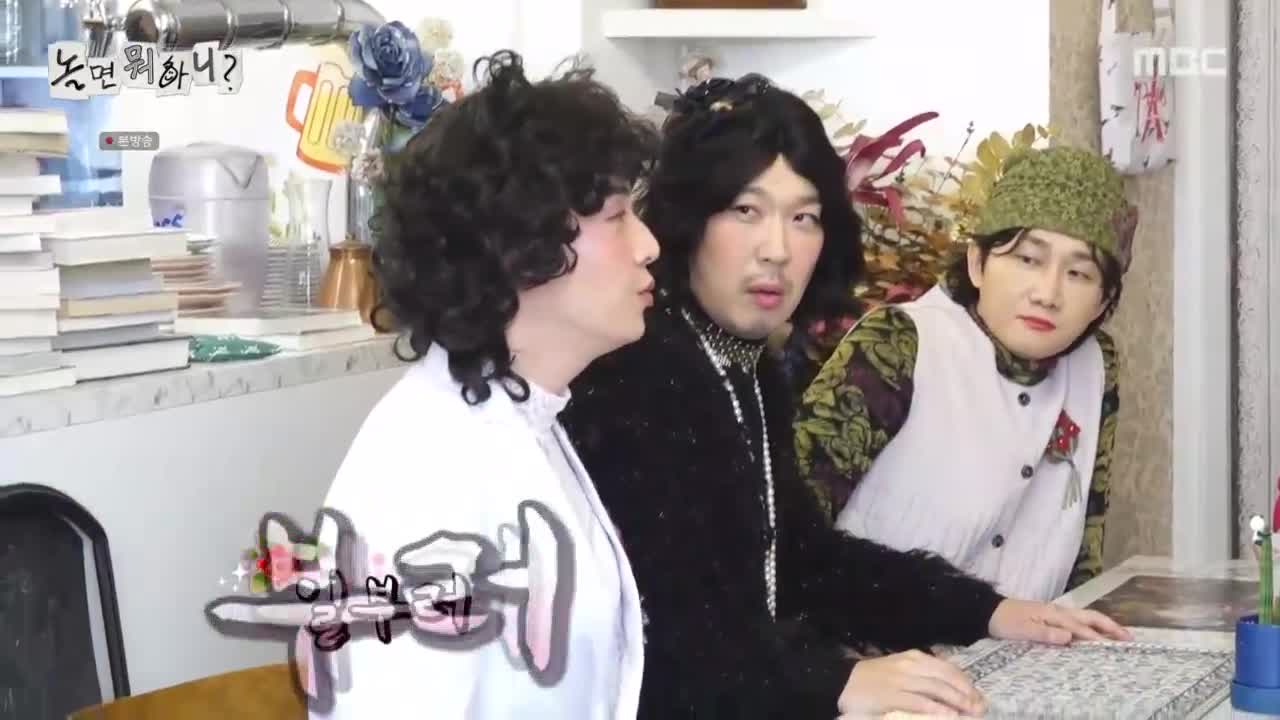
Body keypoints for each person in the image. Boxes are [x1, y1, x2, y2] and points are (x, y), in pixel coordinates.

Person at [561, 77, 1130, 720]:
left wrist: (988, 611)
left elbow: (805, 560)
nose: (777, 251)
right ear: (686, 220)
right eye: (746, 211)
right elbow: (662, 636)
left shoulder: (744, 366)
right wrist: (836, 681)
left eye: (803, 218)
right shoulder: (635, 375)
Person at [309, 50, 660, 719]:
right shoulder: (429, 468)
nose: (649, 246)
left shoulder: (522, 419)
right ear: (519, 243)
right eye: (618, 217)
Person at [793, 145, 1135, 602]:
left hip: (1029, 644)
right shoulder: (900, 342)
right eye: (1028, 259)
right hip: (872, 639)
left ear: (1103, 301)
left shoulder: (1096, 366)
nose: (1047, 294)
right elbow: (789, 530)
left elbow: (1084, 547)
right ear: (978, 263)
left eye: (1078, 273)